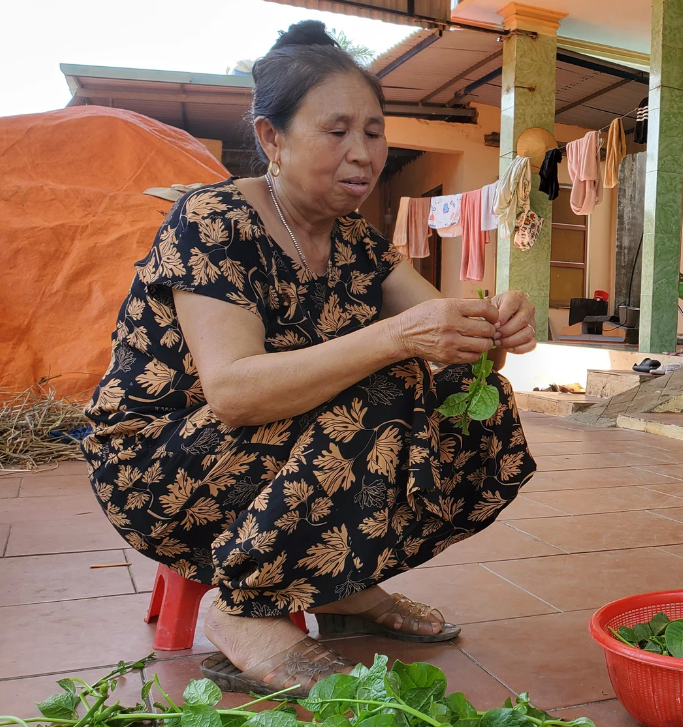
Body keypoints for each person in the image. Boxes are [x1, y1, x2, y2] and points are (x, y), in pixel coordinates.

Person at [79, 20, 539, 697]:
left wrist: (489, 332)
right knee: (382, 380)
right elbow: (233, 392)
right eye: (337, 131)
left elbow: (438, 343)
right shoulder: (214, 221)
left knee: (460, 403)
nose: (363, 152)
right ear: (272, 138)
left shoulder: (360, 241)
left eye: (375, 132)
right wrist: (402, 338)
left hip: (280, 452)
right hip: (166, 462)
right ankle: (241, 608)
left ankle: (341, 590)